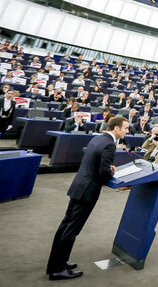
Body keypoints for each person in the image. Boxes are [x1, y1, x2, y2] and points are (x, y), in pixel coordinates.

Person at [46, 116, 128, 280]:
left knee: (65, 226)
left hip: (78, 187)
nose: (127, 131)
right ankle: (57, 269)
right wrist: (111, 172)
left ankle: (56, 264)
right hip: (87, 193)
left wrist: (106, 169)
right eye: (125, 128)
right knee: (71, 230)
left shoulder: (98, 138)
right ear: (116, 128)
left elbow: (95, 164)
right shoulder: (110, 144)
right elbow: (103, 173)